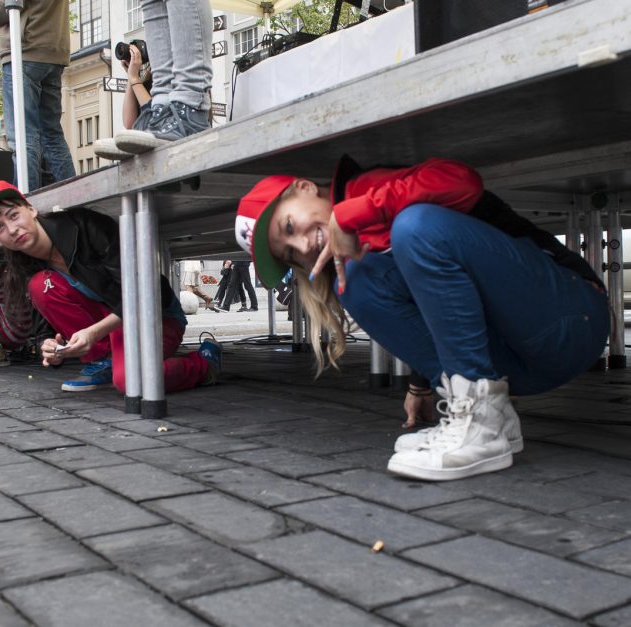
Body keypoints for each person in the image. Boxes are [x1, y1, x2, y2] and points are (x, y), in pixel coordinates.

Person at [235, 155, 609, 481]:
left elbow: (462, 181)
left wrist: (352, 213)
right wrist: (423, 384)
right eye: (289, 254)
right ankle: (484, 417)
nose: (303, 246)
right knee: (358, 283)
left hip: (571, 321)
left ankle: (481, 422)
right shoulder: (349, 259)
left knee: (415, 226)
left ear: (303, 188)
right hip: (518, 370)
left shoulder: (368, 188)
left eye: (288, 227)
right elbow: (439, 298)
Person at [0, 180, 221, 393]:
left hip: (154, 313)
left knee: (130, 382)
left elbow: (143, 290)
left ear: (31, 209)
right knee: (40, 285)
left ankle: (204, 362)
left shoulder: (85, 226)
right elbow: (43, 324)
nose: (12, 229)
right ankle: (104, 361)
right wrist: (50, 347)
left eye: (14, 215)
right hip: (110, 326)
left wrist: (94, 332)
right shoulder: (24, 264)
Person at [0, 0, 76, 192]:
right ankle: (76, 200)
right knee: (52, 135)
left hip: (25, 49)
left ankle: (26, 202)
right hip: (54, 50)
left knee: (23, 136)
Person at [112, 0, 213, 154]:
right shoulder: (149, 75)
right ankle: (163, 109)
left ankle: (189, 106)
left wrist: (134, 79)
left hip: (187, 96)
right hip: (163, 102)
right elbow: (129, 122)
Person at [93, 44, 153, 161]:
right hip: (144, 152)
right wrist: (131, 76)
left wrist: (134, 78)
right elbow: (129, 123)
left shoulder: (164, 75)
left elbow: (154, 115)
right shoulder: (146, 77)